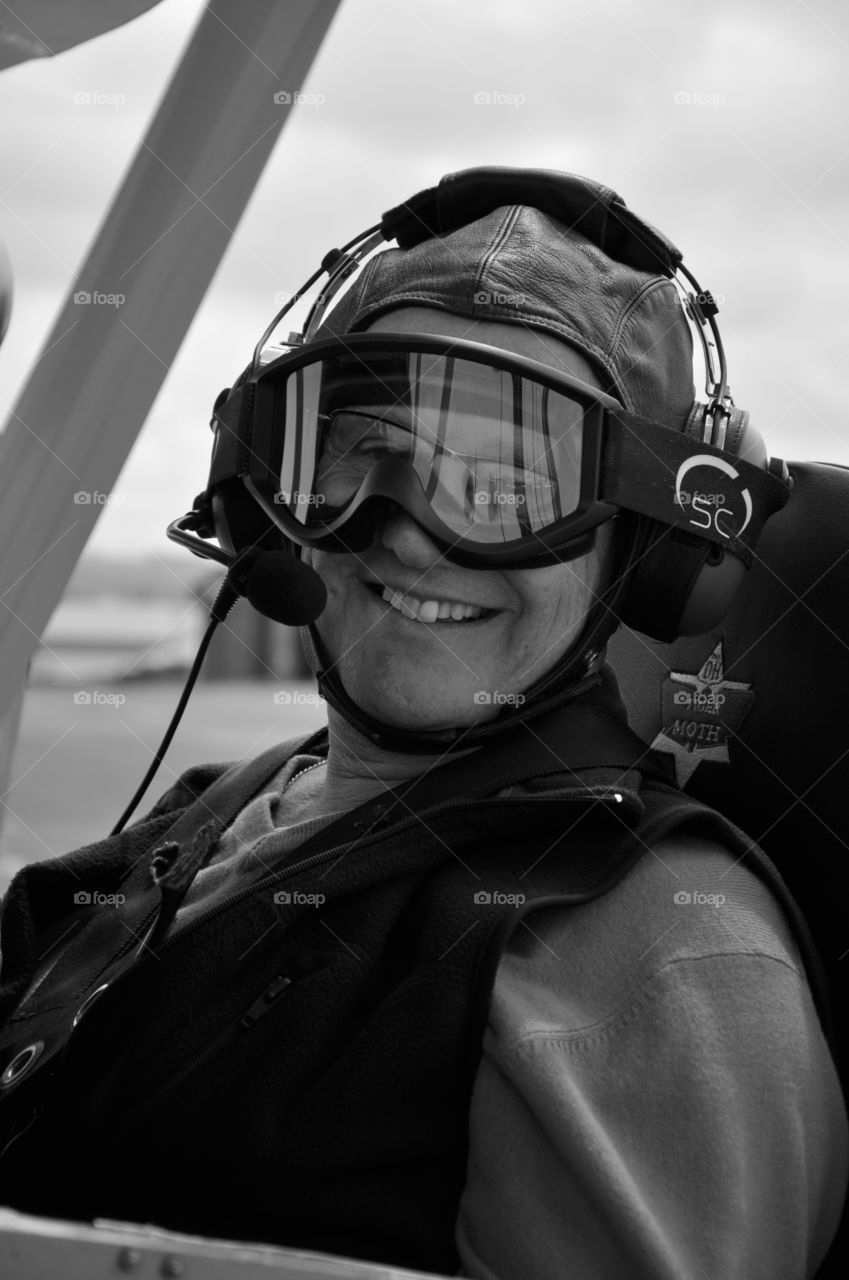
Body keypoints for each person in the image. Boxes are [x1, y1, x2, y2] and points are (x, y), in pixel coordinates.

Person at [0, 169, 846, 1280]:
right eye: (361, 450)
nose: (410, 531)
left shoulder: (656, 960)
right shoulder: (227, 801)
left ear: (650, 552)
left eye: (506, 486)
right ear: (268, 491)